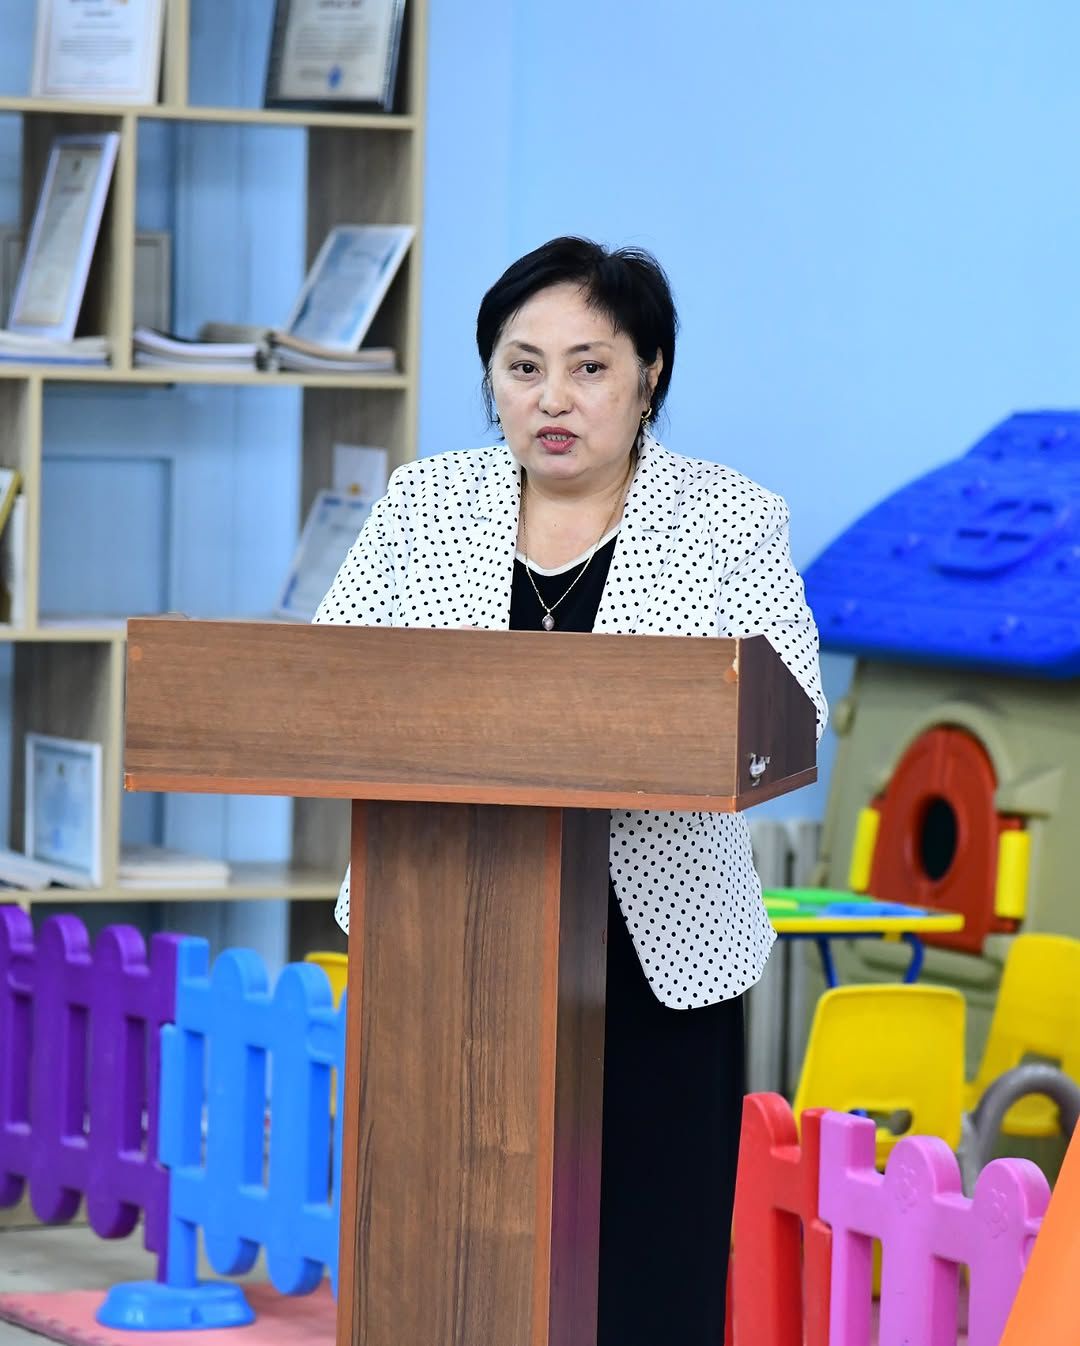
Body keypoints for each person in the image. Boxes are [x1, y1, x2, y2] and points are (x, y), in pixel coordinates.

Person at [315, 236, 827, 1346]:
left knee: (650, 1259)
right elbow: (331, 680)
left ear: (650, 375)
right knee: (441, 1253)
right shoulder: (424, 503)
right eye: (523, 365)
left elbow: (789, 715)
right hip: (444, 937)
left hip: (657, 950)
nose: (553, 398)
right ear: (492, 377)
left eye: (589, 367)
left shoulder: (728, 518)